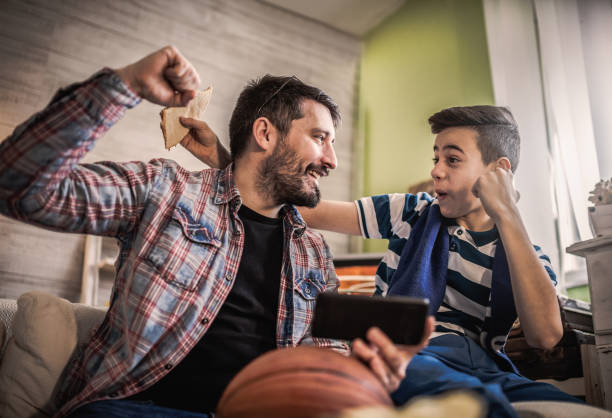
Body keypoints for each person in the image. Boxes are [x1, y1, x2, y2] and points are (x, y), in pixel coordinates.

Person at [0, 46, 432, 417]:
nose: (332, 160)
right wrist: (124, 85)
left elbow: (319, 357)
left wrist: (363, 372)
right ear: (265, 133)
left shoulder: (313, 252)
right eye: (321, 137)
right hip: (136, 408)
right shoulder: (166, 193)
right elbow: (18, 185)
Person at [191, 105, 584, 417]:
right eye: (436, 157)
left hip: (487, 365)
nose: (435, 171)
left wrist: (508, 215)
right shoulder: (411, 212)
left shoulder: (522, 251)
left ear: (499, 172)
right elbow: (303, 209)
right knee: (421, 381)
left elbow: (545, 336)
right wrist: (227, 163)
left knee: (570, 409)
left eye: (452, 160)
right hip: (410, 353)